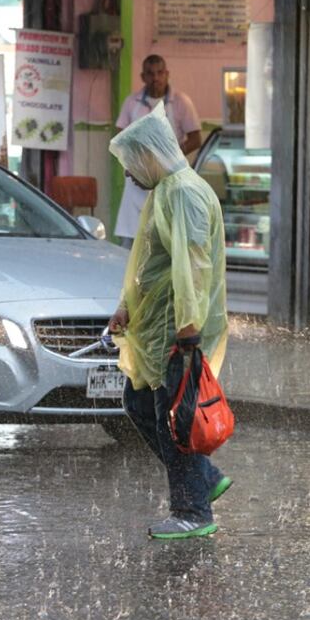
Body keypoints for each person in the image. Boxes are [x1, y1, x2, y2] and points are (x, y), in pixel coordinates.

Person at [106, 102, 230, 540]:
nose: (128, 175)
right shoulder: (164, 191)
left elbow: (192, 263)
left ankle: (193, 511)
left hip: (176, 328)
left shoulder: (183, 193)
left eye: (131, 163)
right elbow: (146, 259)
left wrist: (188, 325)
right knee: (140, 404)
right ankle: (205, 478)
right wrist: (126, 306)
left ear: (150, 155)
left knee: (175, 420)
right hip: (155, 324)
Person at [114, 55, 203, 250]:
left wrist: (170, 157)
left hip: (170, 178)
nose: (156, 78)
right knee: (131, 244)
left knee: (166, 241)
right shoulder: (132, 102)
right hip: (137, 178)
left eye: (160, 73)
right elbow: (120, 137)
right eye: (150, 74)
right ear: (142, 76)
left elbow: (196, 138)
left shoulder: (180, 102)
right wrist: (135, 160)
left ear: (167, 74)